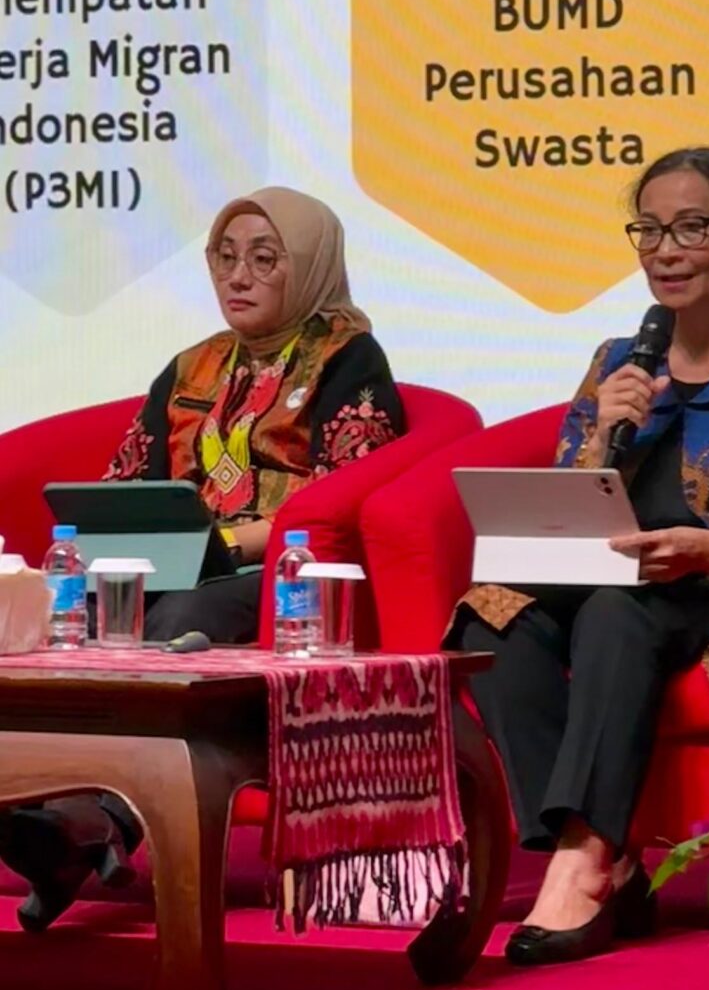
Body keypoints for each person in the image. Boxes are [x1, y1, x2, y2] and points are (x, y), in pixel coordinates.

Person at [451, 147, 709, 968]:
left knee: (615, 613)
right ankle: (599, 853)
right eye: (650, 230)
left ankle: (587, 860)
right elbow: (569, 503)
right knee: (492, 613)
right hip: (617, 568)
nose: (666, 251)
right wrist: (603, 433)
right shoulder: (617, 359)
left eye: (692, 229)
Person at [0, 187, 405, 932]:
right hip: (172, 560)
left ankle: (93, 822)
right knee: (67, 609)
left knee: (179, 617)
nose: (238, 277)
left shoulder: (347, 357)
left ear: (308, 266)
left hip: (270, 575)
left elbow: (345, 490)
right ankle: (46, 806)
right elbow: (130, 480)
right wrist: (123, 534)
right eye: (224, 258)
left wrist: (228, 542)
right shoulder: (195, 365)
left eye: (264, 259)